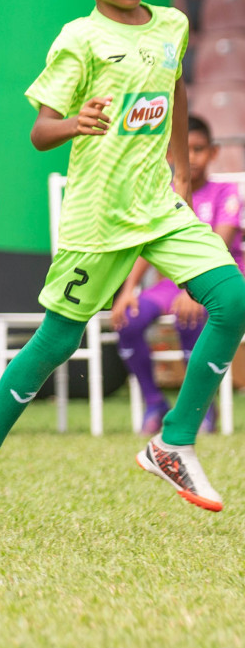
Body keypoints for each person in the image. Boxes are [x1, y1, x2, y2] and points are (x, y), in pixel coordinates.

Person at [0, 0, 245, 540]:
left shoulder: (171, 26)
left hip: (158, 205)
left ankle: (174, 443)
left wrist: (180, 167)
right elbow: (40, 131)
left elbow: (176, 86)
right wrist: (76, 122)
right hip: (97, 221)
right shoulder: (80, 39)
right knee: (57, 342)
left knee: (233, 298)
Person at [113, 115, 243, 434]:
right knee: (128, 319)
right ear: (170, 155)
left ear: (212, 153)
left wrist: (194, 290)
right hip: (172, 283)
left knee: (192, 313)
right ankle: (154, 402)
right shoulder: (163, 195)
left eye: (199, 149)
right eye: (186, 150)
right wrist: (128, 288)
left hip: (216, 279)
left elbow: (219, 245)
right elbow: (148, 245)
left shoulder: (227, 192)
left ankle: (200, 408)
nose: (193, 157)